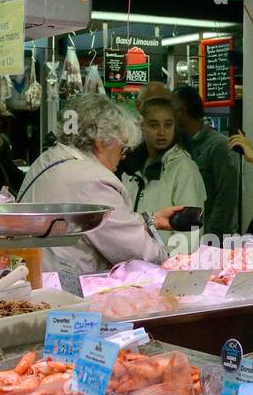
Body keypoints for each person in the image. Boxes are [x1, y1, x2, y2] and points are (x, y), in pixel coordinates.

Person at [18, 94, 185, 275]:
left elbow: (96, 224)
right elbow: (138, 254)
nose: (121, 158)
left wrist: (148, 220)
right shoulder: (93, 180)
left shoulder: (47, 160)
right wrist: (170, 259)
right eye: (122, 148)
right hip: (71, 293)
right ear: (101, 142)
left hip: (37, 282)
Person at [123, 96, 207, 256]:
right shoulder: (131, 167)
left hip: (165, 268)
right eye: (154, 125)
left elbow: (190, 231)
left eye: (168, 125)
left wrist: (171, 266)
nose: (162, 132)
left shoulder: (184, 167)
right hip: (135, 265)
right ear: (142, 126)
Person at [172, 85, 240, 238]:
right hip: (186, 235)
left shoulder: (219, 146)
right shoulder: (178, 145)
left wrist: (211, 235)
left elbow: (227, 195)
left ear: (182, 111)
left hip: (212, 238)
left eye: (172, 110)